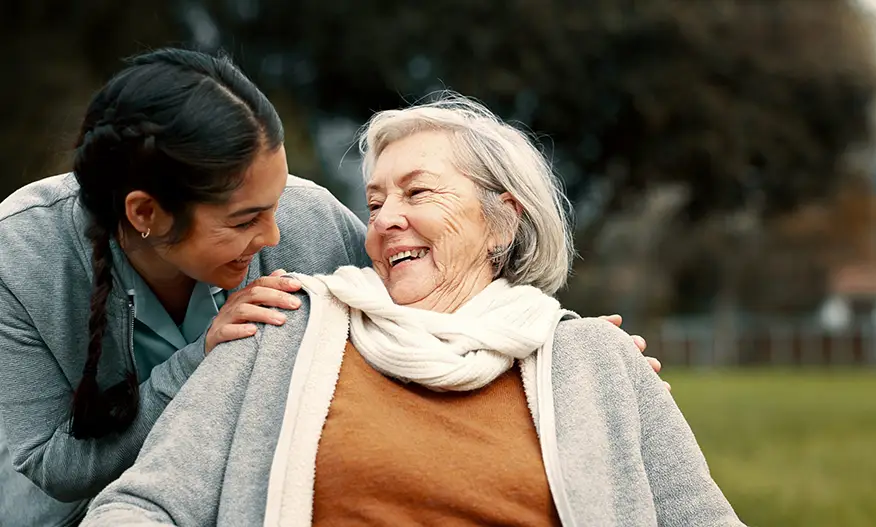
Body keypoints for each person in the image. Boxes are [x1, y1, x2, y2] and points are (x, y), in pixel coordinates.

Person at [0, 50, 656, 526]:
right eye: (244, 219)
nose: (274, 233)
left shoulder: (306, 223)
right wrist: (199, 359)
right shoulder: (21, 257)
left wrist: (573, 352)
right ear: (146, 215)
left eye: (276, 200)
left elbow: (433, 288)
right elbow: (55, 467)